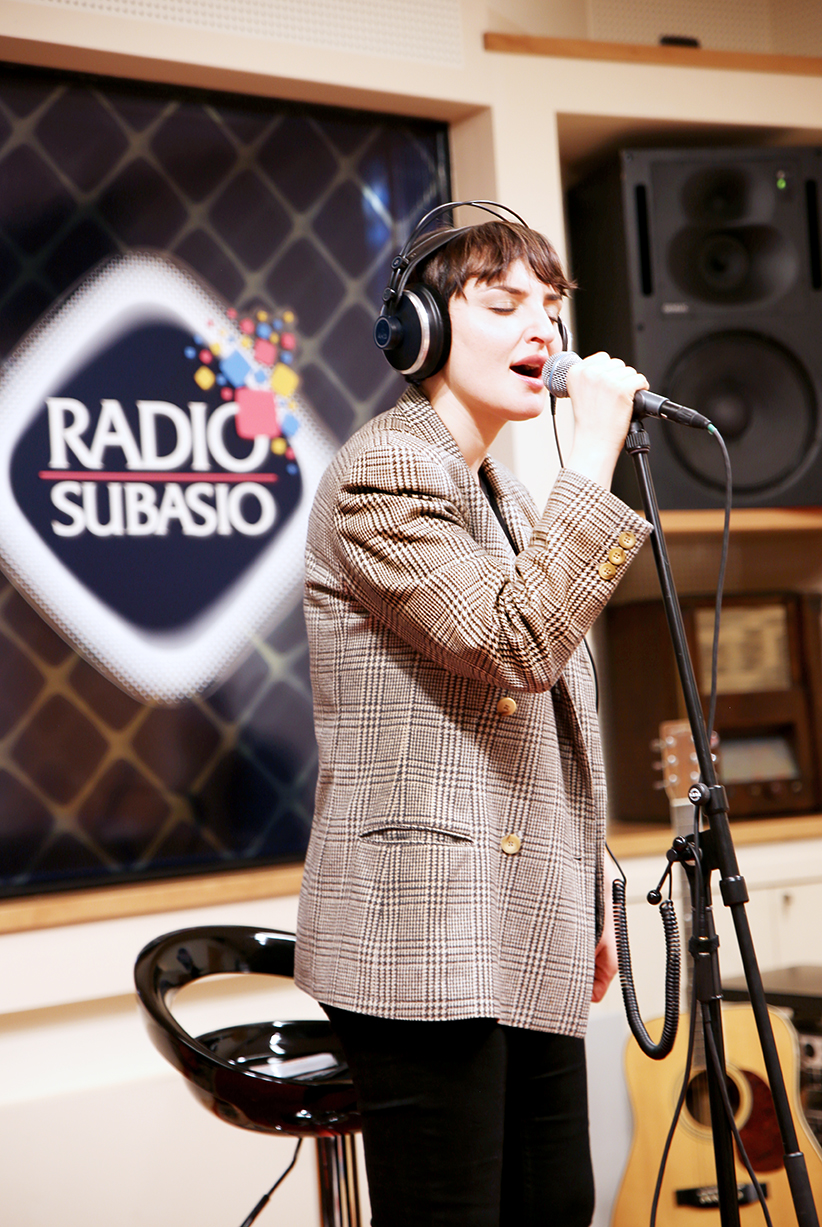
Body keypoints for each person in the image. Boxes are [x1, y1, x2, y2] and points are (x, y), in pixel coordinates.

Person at [295, 209, 652, 1226]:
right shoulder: (386, 470)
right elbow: (516, 644)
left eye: (551, 305)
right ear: (422, 329)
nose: (543, 326)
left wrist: (585, 886)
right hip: (423, 928)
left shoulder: (503, 494)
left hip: (524, 913)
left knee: (556, 1202)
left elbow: (549, 714)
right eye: (503, 304)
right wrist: (594, 456)